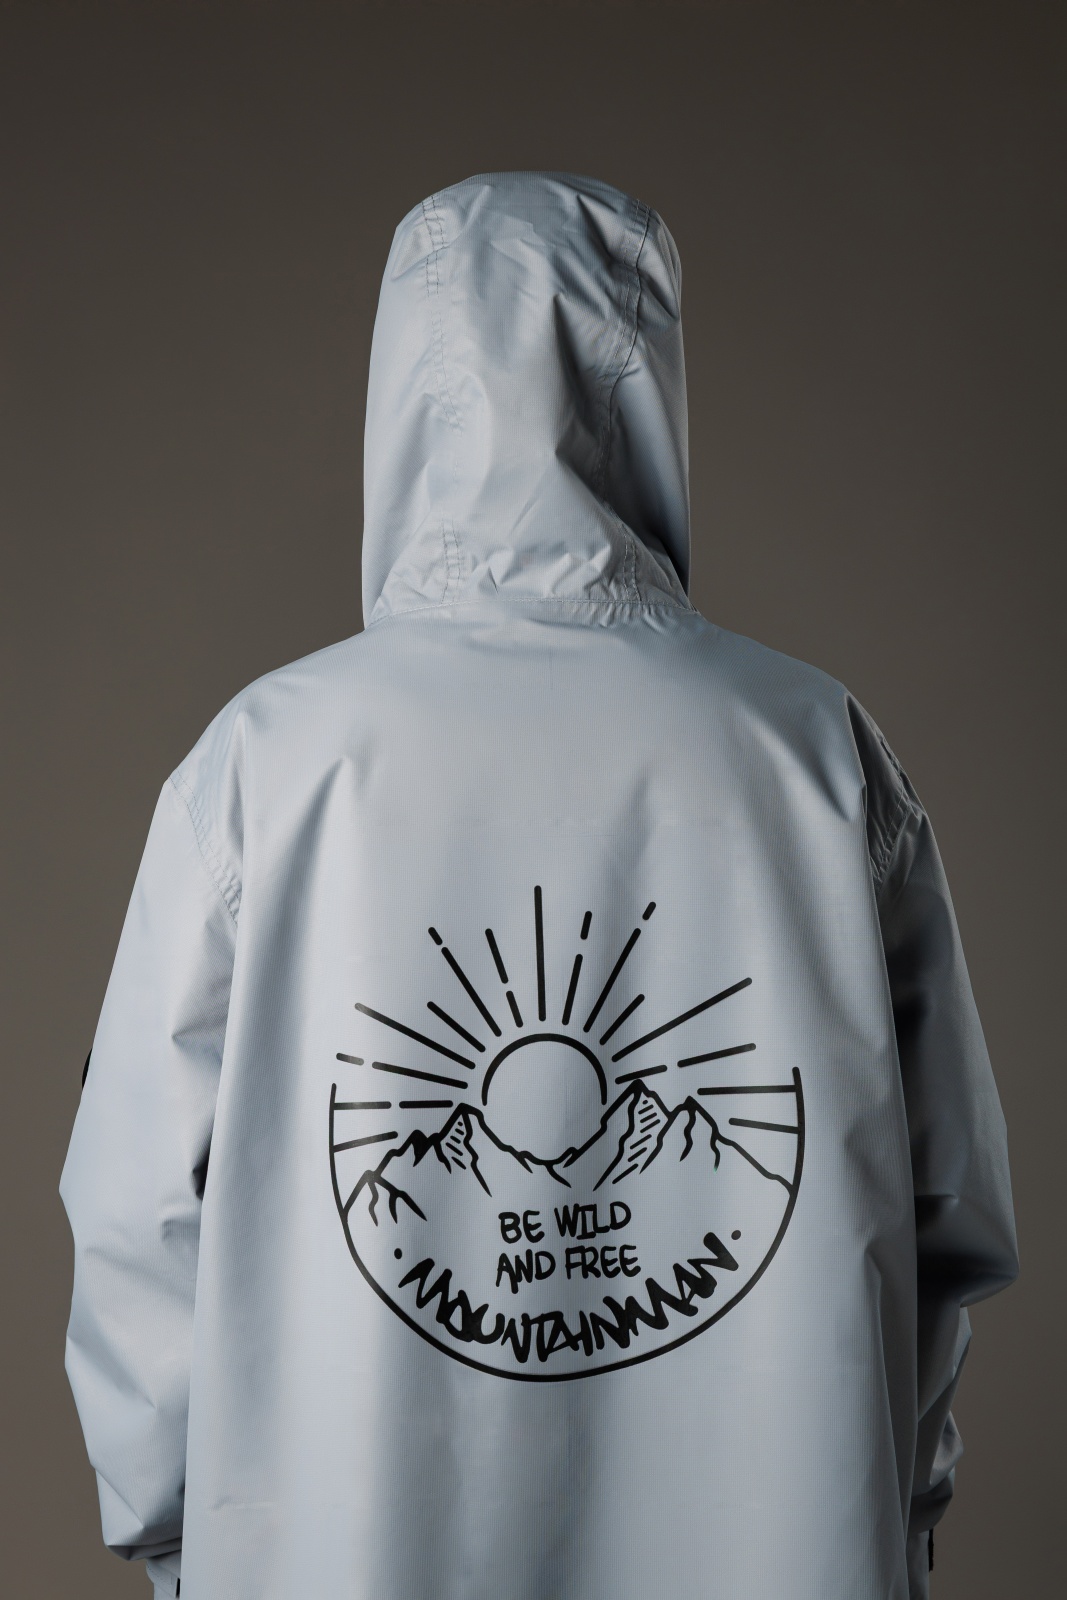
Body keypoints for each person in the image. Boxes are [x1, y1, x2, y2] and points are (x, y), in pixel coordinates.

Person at [61, 172, 1017, 1600]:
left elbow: (136, 1208)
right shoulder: (817, 751)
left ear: (402, 391)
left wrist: (182, 1537)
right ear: (651, 385)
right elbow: (947, 1208)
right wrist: (897, 1501)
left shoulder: (264, 764)